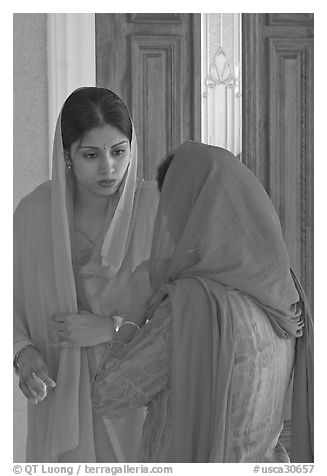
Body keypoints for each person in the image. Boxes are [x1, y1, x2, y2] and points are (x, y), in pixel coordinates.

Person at [92, 140, 313, 463]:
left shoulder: (195, 307)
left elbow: (107, 395)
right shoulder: (281, 289)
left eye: (170, 212)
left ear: (195, 215)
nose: (167, 227)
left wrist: (133, 315)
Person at [13, 87, 159, 462]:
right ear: (67, 155)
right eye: (91, 155)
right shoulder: (32, 215)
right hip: (58, 396)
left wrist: (111, 327)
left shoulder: (157, 210)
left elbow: (186, 308)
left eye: (119, 151)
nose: (109, 168)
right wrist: (24, 354)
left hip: (137, 398)